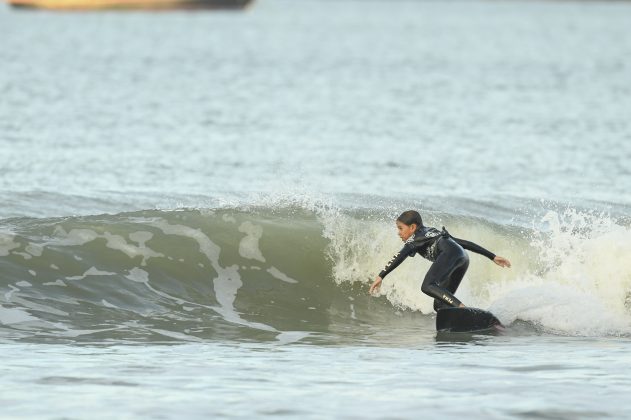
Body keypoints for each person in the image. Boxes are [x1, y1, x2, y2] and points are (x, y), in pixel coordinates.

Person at [369, 210, 511, 311]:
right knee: (439, 305)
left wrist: (381, 275)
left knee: (427, 286)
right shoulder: (432, 232)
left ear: (412, 227)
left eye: (401, 228)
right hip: (462, 257)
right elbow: (462, 243)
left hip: (450, 254)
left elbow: (399, 256)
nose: (398, 233)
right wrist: (492, 256)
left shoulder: (415, 239)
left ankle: (463, 309)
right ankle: (457, 319)